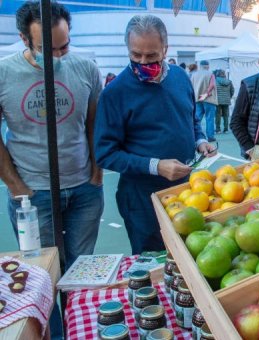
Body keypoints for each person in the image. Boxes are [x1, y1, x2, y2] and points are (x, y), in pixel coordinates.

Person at [95, 15, 215, 254]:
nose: (142, 62)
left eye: (151, 56)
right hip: (142, 198)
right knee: (153, 260)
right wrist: (156, 166)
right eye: (135, 55)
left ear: (165, 49)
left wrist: (200, 140)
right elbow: (105, 154)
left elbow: (190, 117)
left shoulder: (181, 78)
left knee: (189, 253)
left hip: (185, 189)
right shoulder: (114, 93)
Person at [0, 0, 103, 269]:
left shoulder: (86, 69)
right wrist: (15, 186)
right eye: (47, 49)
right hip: (33, 193)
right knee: (44, 274)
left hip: (84, 188)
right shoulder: (4, 74)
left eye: (64, 46)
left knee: (82, 270)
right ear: (24, 38)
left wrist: (96, 174)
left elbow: (94, 125)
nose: (58, 56)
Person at [190, 60, 218, 142]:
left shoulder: (194, 74)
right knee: (209, 118)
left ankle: (195, 135)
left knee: (197, 118)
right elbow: (212, 85)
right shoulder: (210, 74)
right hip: (209, 99)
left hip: (197, 99)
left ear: (200, 66)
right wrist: (206, 93)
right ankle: (210, 136)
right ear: (207, 66)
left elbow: (191, 86)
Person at [214, 69, 234, 134]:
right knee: (226, 115)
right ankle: (226, 129)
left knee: (218, 115)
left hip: (218, 101)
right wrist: (229, 97)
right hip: (226, 100)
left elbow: (213, 91)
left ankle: (218, 129)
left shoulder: (215, 81)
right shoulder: (229, 81)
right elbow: (232, 91)